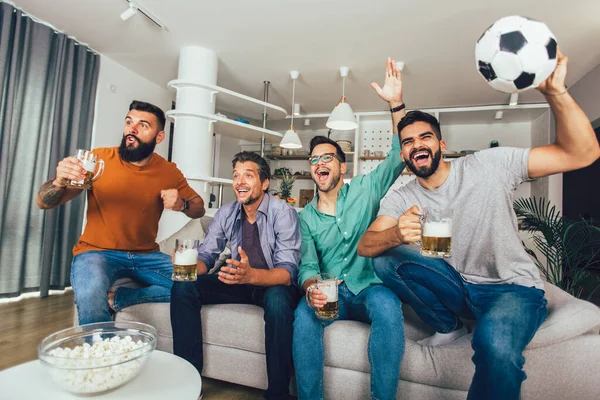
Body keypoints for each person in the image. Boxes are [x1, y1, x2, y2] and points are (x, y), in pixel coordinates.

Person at [357, 49, 600, 400]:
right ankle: (448, 325)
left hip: (511, 290)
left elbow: (582, 154)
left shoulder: (488, 166)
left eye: (425, 137)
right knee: (383, 256)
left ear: (441, 144)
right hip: (458, 288)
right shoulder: (402, 195)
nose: (416, 145)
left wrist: (555, 92)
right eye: (407, 142)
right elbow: (366, 245)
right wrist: (395, 233)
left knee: (495, 346)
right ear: (403, 155)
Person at [292, 58, 407, 400]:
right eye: (314, 160)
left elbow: (400, 153)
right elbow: (308, 265)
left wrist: (395, 104)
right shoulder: (305, 217)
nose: (319, 164)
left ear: (342, 166)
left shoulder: (366, 189)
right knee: (302, 316)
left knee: (389, 307)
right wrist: (312, 287)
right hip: (333, 293)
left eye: (327, 158)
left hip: (371, 287)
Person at [36, 100, 205, 325]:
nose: (132, 130)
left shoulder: (168, 171)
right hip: (97, 253)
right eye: (129, 122)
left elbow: (199, 207)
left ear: (159, 137)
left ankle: (122, 298)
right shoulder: (97, 161)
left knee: (197, 287)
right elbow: (44, 202)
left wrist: (182, 204)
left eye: (143, 125)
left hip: (147, 255)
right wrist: (58, 181)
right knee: (90, 293)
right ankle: (104, 358)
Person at [170, 151, 302, 400]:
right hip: (238, 280)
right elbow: (207, 257)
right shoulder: (227, 212)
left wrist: (251, 275)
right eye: (236, 176)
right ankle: (188, 381)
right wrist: (186, 265)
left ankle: (278, 393)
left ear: (264, 183)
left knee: (277, 302)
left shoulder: (283, 213)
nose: (240, 182)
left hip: (274, 284)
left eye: (248, 175)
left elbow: (287, 273)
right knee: (184, 286)